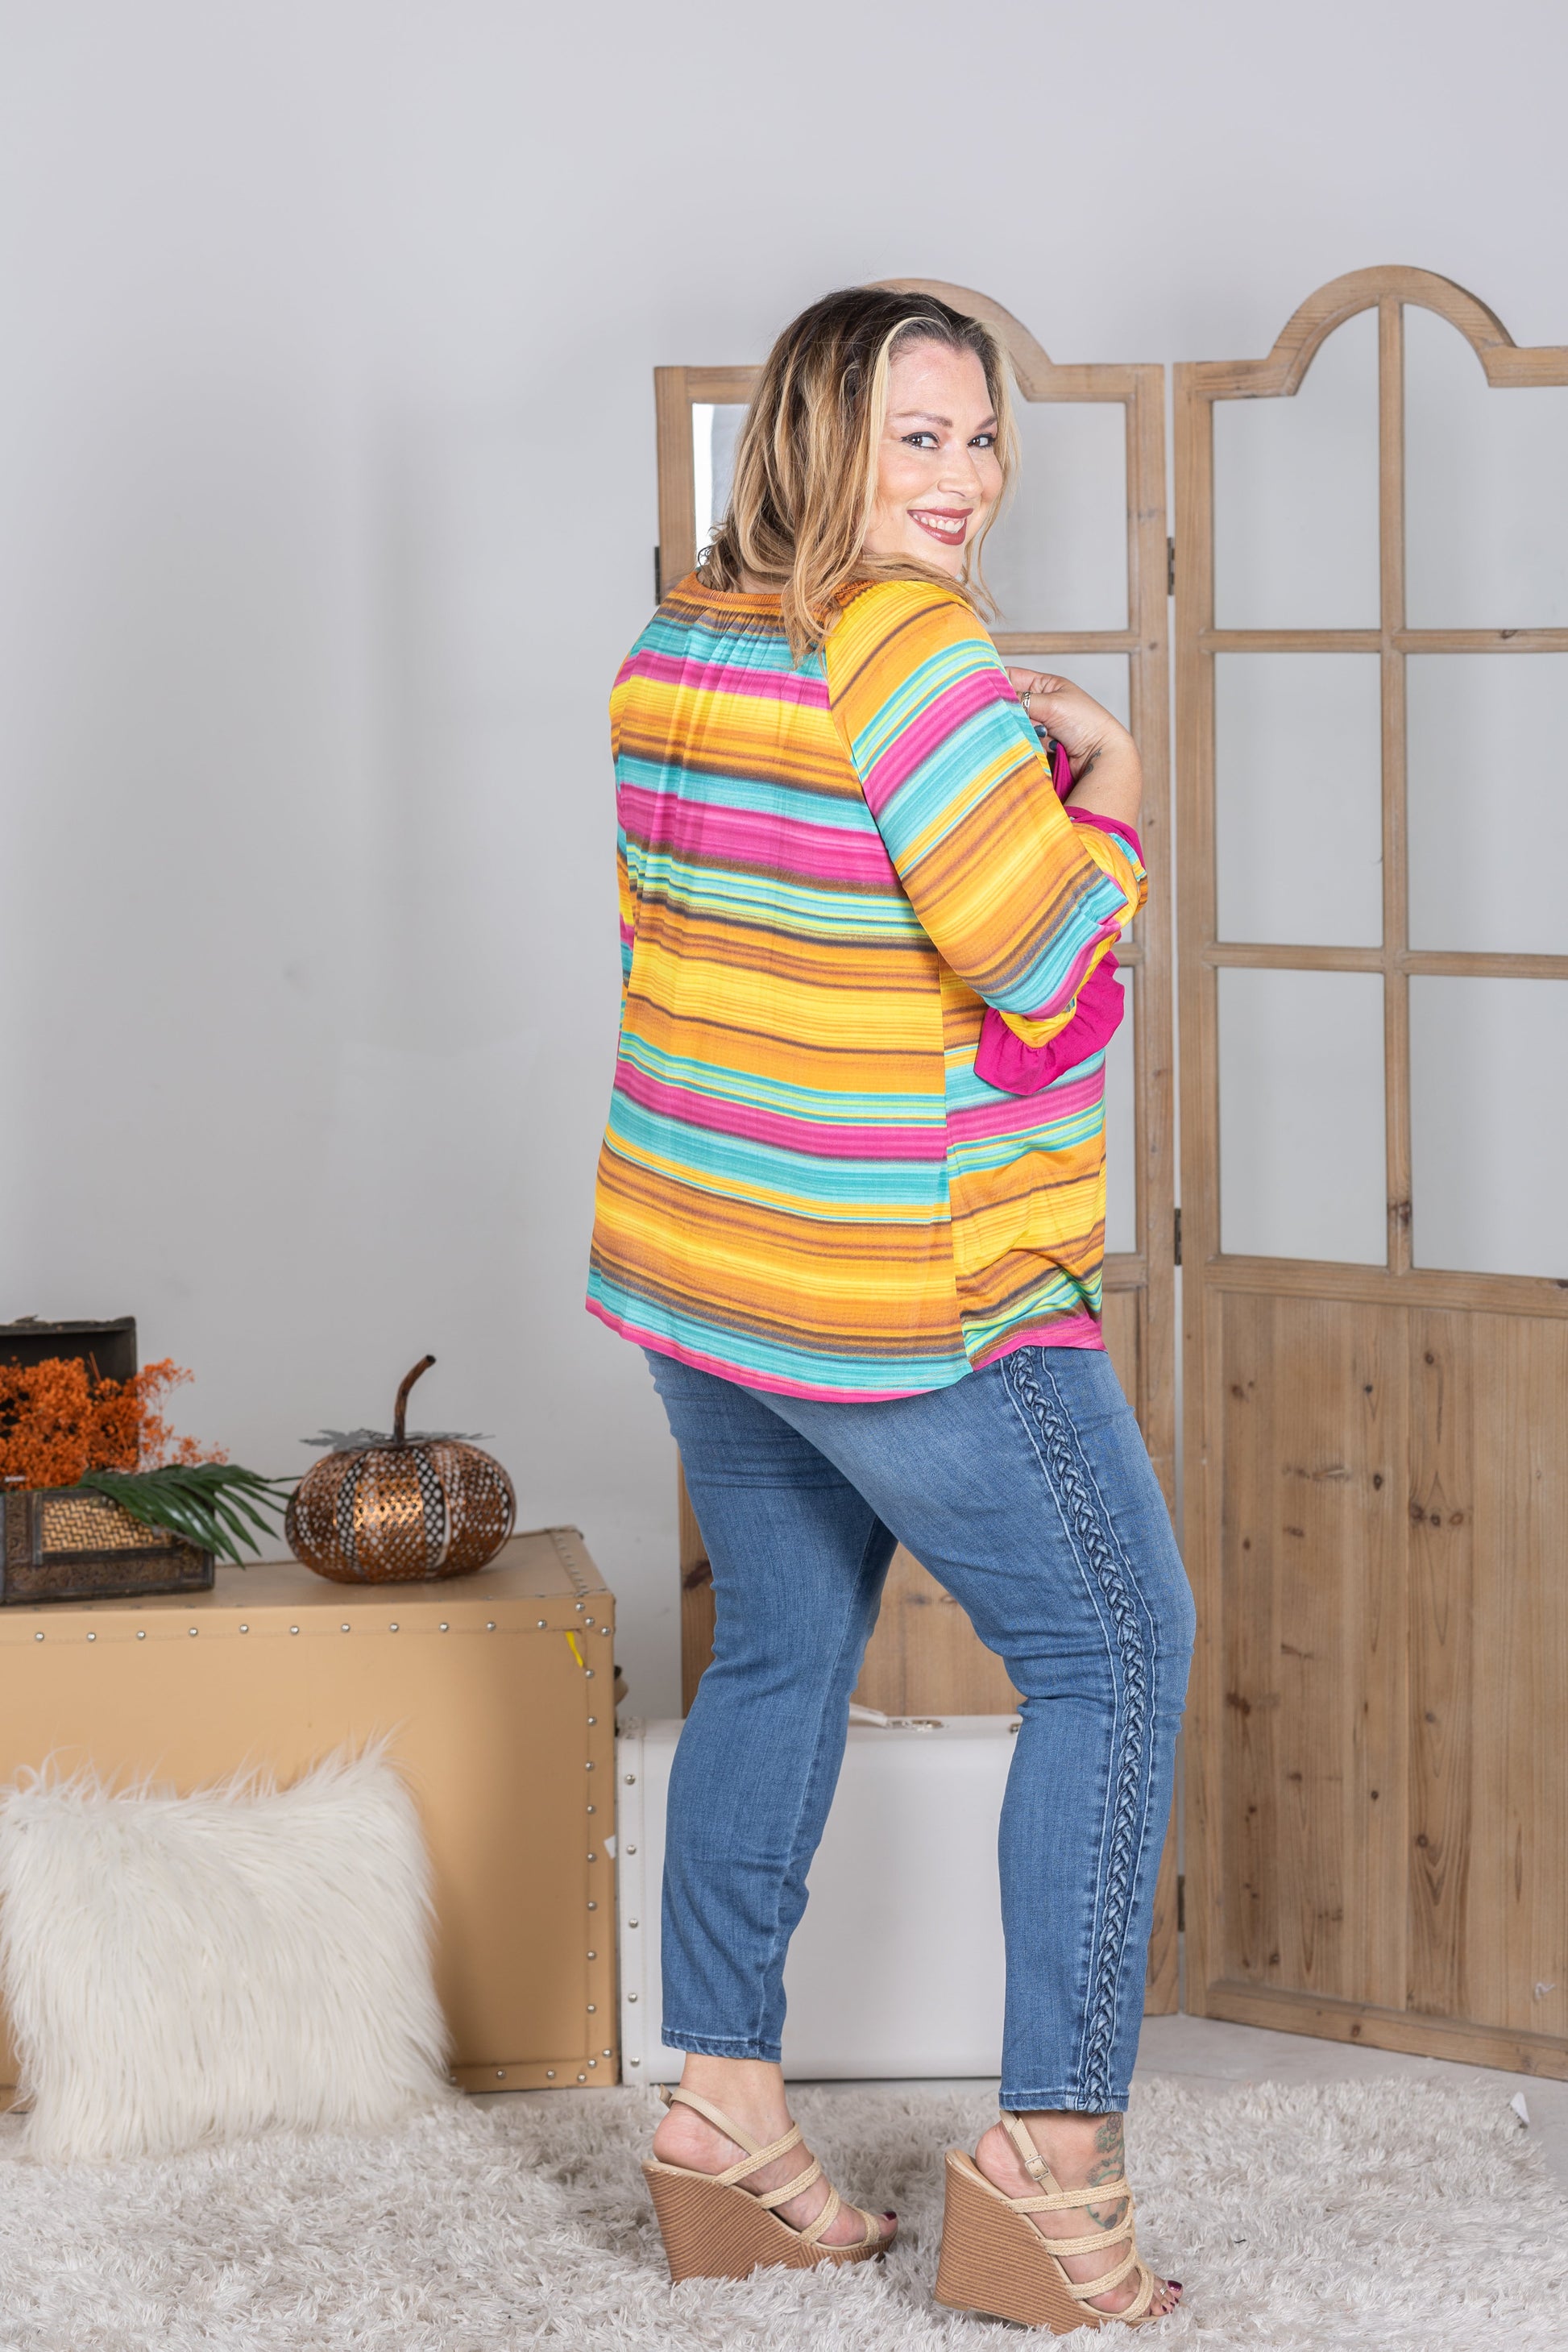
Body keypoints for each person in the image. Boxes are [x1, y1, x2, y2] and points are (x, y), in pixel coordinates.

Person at [587, 285, 1193, 2331]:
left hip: (703, 1264)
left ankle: (725, 2112)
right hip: (897, 1285)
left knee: (779, 1646)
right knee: (1120, 1648)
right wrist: (1111, 792)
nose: (963, 477)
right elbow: (1045, 967)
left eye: (980, 436)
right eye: (916, 437)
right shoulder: (919, 652)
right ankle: (1052, 2165)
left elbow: (689, 934)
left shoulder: (672, 642)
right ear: (817, 441)